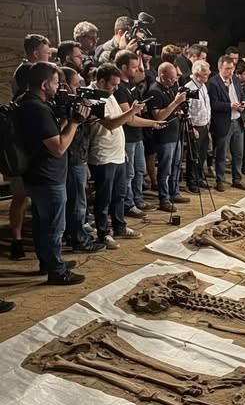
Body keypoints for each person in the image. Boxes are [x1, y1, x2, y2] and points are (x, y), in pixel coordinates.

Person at [17, 62, 88, 284]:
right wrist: (75, 123)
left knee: (42, 223)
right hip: (47, 177)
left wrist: (65, 118)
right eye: (56, 83)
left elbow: (50, 134)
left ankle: (47, 263)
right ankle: (57, 271)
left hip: (37, 175)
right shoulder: (37, 109)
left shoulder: (25, 102)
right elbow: (58, 148)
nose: (59, 88)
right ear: (44, 85)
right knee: (54, 227)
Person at [88, 63, 159, 249]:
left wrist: (123, 149)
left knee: (119, 194)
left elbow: (119, 123)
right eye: (113, 84)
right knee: (104, 198)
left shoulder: (109, 94)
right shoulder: (93, 97)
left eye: (118, 84)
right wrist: (131, 111)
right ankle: (103, 233)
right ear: (101, 81)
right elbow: (110, 124)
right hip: (103, 155)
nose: (116, 88)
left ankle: (119, 226)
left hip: (117, 153)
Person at [9, 34, 52, 259]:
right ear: (35, 53)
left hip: (27, 145)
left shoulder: (27, 71)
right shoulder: (27, 72)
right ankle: (18, 240)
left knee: (25, 196)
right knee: (22, 196)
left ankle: (25, 240)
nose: (49, 56)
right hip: (23, 146)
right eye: (46, 52)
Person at [60, 67, 105, 253]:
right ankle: (79, 240)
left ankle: (73, 235)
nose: (80, 89)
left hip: (79, 155)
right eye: (76, 84)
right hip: (73, 158)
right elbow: (62, 131)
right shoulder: (62, 107)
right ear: (65, 86)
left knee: (77, 201)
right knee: (77, 202)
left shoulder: (74, 104)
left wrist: (86, 117)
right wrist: (74, 118)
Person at [113, 50, 157, 218]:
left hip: (138, 136)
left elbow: (135, 110)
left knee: (139, 170)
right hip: (128, 137)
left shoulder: (131, 83)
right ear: (123, 67)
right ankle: (128, 204)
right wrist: (152, 122)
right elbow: (129, 119)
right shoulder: (119, 89)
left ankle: (138, 200)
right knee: (129, 173)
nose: (137, 70)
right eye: (133, 67)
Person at [146, 62, 189, 211]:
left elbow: (173, 110)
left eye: (175, 78)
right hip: (164, 136)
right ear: (162, 76)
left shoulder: (170, 87)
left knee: (176, 166)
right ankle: (164, 199)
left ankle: (174, 192)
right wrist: (176, 102)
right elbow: (158, 116)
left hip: (175, 133)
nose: (174, 81)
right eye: (171, 78)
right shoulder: (154, 91)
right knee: (165, 169)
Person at [207, 55, 245, 191]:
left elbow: (241, 94)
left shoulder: (235, 79)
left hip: (238, 121)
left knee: (238, 153)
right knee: (221, 154)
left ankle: (237, 179)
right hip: (223, 123)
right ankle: (220, 180)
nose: (230, 71)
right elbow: (213, 104)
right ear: (220, 68)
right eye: (227, 69)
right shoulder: (213, 83)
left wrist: (243, 102)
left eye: (232, 68)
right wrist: (230, 106)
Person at [185, 60, 212, 194]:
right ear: (197, 74)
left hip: (204, 125)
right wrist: (191, 128)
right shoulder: (189, 88)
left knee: (202, 155)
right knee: (193, 156)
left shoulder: (203, 86)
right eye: (205, 74)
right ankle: (191, 182)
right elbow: (187, 110)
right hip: (195, 127)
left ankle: (199, 177)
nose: (208, 75)